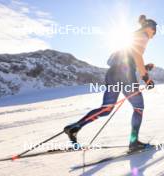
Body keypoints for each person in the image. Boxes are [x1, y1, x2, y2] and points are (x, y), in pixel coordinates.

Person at [64, 15, 157, 151]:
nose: (153, 36)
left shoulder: (133, 36)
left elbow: (127, 60)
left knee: (106, 109)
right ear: (150, 28)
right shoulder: (143, 36)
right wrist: (146, 78)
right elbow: (137, 56)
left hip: (113, 74)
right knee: (138, 108)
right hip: (125, 75)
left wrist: (144, 67)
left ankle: (75, 127)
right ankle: (134, 143)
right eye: (154, 32)